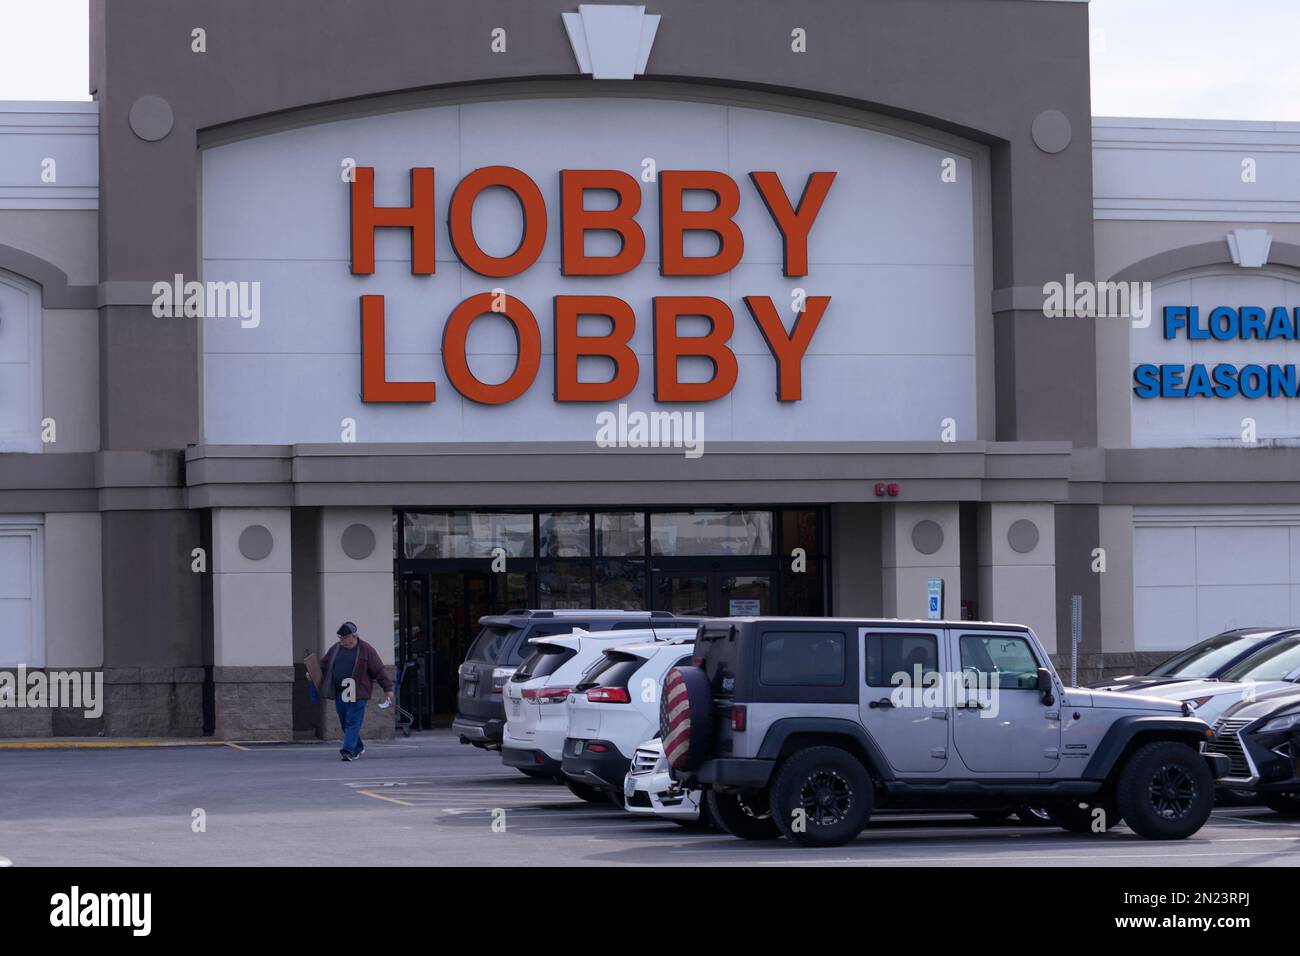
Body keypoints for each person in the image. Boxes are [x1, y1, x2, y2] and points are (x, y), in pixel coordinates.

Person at [317, 622, 394, 761]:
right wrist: (313, 673)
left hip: (357, 690)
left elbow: (378, 670)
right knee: (344, 720)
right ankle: (358, 747)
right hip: (342, 690)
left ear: (354, 636)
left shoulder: (366, 649)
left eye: (344, 638)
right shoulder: (336, 648)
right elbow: (324, 664)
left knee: (352, 721)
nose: (341, 640)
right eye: (340, 637)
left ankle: (348, 750)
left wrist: (388, 689)